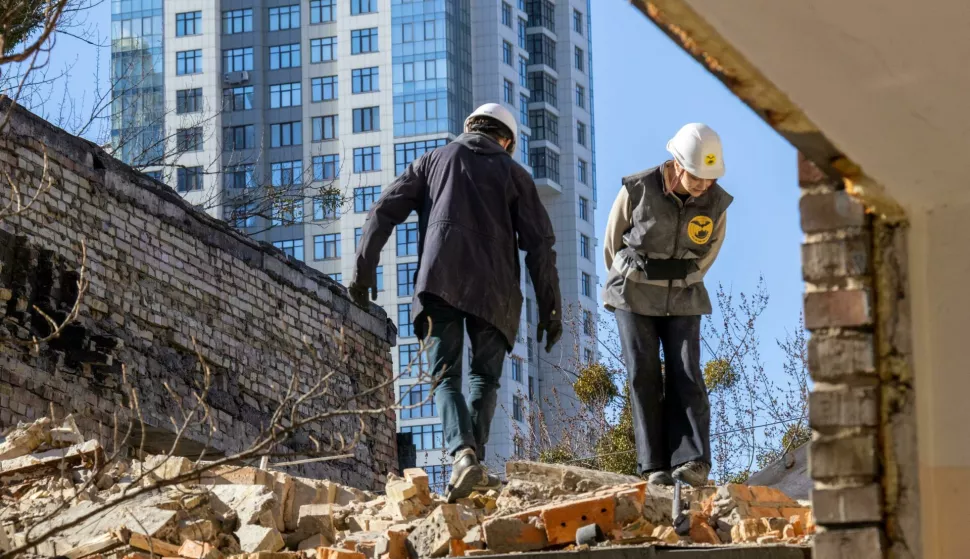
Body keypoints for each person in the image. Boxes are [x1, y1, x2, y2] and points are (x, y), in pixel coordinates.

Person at [350, 103, 563, 502]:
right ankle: (471, 462)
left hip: (439, 279)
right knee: (484, 379)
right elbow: (541, 246)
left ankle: (463, 457)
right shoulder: (515, 174)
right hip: (495, 291)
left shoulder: (432, 161)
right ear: (506, 141)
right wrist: (551, 310)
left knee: (445, 377)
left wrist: (363, 272)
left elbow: (383, 211)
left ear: (470, 128)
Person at [602, 123, 733, 487]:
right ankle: (653, 466)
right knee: (642, 374)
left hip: (684, 294)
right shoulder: (637, 189)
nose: (703, 185)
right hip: (633, 294)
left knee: (687, 371)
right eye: (696, 176)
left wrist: (684, 279)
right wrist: (631, 278)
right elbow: (613, 242)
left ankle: (693, 460)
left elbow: (710, 250)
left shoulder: (717, 203)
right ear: (677, 164)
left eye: (709, 178)